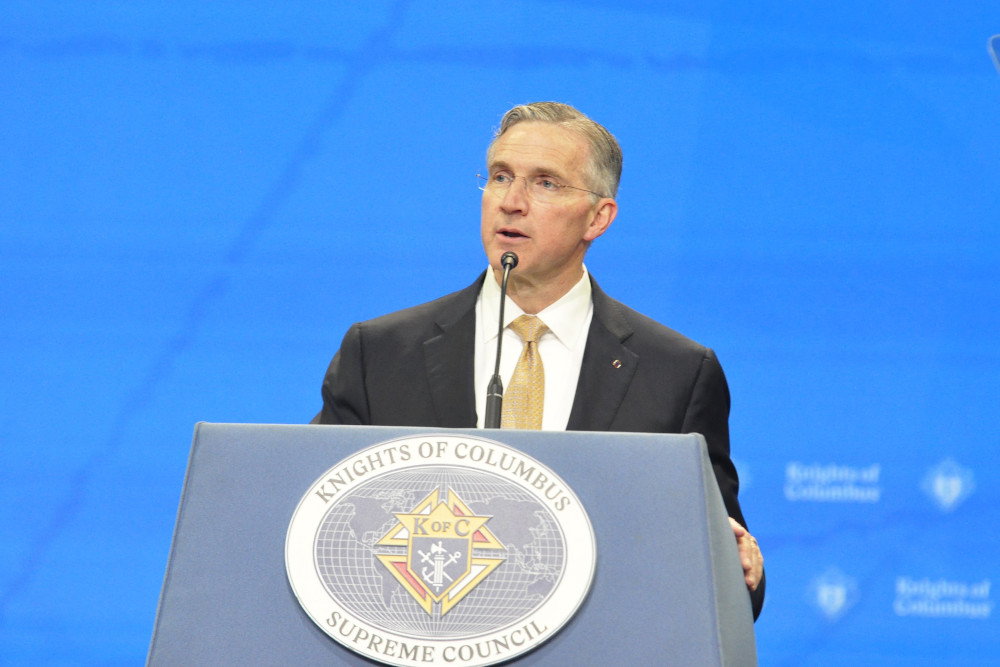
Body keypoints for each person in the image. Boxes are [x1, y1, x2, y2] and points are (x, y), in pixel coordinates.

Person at [311, 102, 765, 619]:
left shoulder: (677, 373)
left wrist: (742, 570)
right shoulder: (382, 353)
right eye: (500, 176)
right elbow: (322, 523)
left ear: (599, 217)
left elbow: (724, 571)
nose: (512, 201)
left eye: (546, 183)